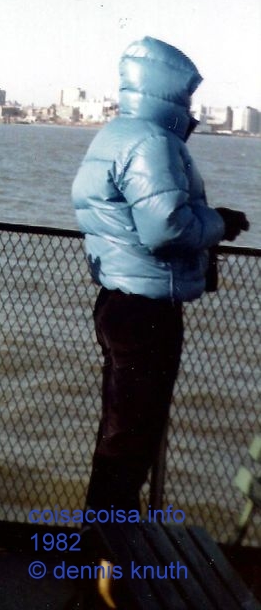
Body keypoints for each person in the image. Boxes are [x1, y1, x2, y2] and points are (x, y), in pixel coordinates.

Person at [71, 36, 249, 513]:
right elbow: (166, 228)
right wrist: (221, 223)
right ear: (170, 92)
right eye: (187, 96)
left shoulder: (117, 132)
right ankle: (105, 560)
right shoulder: (152, 142)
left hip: (118, 297)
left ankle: (103, 552)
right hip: (146, 306)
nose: (190, 106)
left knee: (120, 429)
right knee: (132, 439)